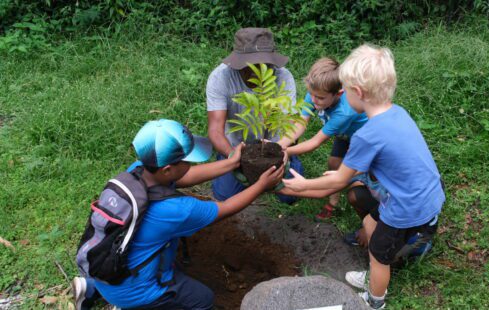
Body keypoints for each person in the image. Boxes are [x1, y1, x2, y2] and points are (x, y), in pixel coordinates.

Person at [282, 45, 445, 309]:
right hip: (426, 193)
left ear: (357, 93)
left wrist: (301, 184)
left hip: (407, 206)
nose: (343, 93)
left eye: (345, 89)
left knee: (380, 253)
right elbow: (372, 165)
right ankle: (376, 274)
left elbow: (336, 182)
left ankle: (374, 300)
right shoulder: (397, 112)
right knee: (370, 221)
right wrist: (341, 174)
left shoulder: (366, 135)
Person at [72, 119, 284, 309]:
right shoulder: (177, 211)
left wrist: (231, 163)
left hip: (107, 269)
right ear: (167, 170)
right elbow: (227, 207)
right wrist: (261, 185)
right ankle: (133, 305)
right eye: (187, 160)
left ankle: (92, 289)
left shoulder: (138, 170)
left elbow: (187, 176)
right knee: (203, 300)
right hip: (138, 292)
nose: (192, 164)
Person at [206, 27, 304, 204]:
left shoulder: (283, 77)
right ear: (238, 63)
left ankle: (287, 163)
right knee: (225, 196)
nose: (258, 70)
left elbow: (290, 122)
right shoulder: (220, 77)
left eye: (265, 65)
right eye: (250, 66)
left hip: (275, 146)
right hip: (236, 146)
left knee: (290, 196)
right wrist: (233, 156)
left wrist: (281, 148)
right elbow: (215, 130)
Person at [276, 57, 369, 221]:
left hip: (363, 139)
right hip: (344, 134)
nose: (313, 100)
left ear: (338, 93)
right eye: (311, 94)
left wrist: (286, 151)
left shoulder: (344, 112)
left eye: (319, 98)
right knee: (333, 163)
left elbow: (315, 142)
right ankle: (333, 202)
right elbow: (300, 123)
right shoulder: (316, 91)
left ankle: (368, 211)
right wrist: (279, 145)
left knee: (351, 175)